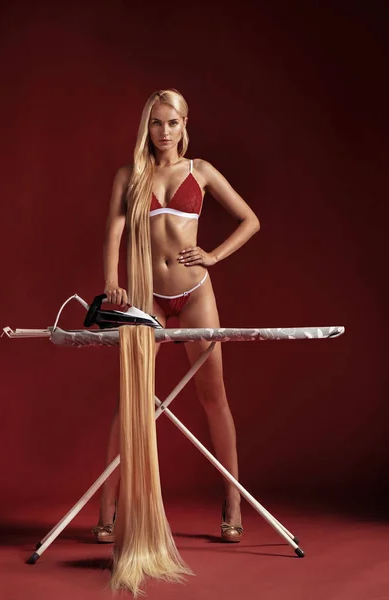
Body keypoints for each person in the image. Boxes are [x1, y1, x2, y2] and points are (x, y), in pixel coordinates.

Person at [92, 88, 260, 545]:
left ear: (185, 125)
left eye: (172, 123)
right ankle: (107, 509)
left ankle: (233, 502)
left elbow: (250, 220)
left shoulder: (200, 171)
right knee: (132, 402)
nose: (163, 132)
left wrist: (213, 256)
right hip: (147, 297)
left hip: (195, 292)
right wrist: (112, 281)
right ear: (145, 126)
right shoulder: (129, 175)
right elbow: (114, 232)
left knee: (214, 397)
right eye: (155, 123)